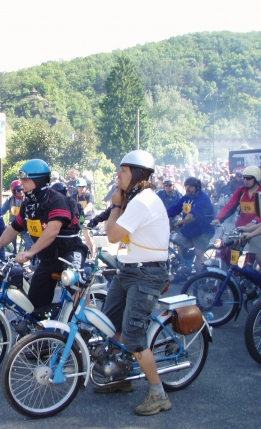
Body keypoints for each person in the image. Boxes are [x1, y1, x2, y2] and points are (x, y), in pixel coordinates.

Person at [100, 150, 171, 416]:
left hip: (146, 274)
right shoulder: (135, 200)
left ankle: (159, 394)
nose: (118, 174)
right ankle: (121, 376)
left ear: (138, 174)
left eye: (124, 170)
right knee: (108, 324)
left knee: (132, 336)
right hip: (129, 269)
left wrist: (115, 205)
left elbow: (113, 235)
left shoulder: (143, 201)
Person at [0, 159, 87, 310]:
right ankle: (45, 326)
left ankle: (86, 319)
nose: (22, 184)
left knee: (77, 287)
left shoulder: (56, 200)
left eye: (25, 180)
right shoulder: (28, 204)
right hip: (48, 259)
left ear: (39, 181)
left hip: (69, 252)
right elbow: (14, 228)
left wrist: (30, 252)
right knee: (34, 307)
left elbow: (52, 231)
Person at [213, 166, 261, 265]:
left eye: (249, 178)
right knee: (231, 248)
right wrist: (219, 218)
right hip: (241, 226)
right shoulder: (241, 191)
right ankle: (232, 271)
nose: (245, 180)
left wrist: (254, 222)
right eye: (244, 178)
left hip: (257, 228)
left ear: (256, 178)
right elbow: (230, 205)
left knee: (256, 254)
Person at [167, 177, 215, 275]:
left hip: (203, 231)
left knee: (199, 253)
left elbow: (192, 216)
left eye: (190, 186)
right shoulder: (186, 198)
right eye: (186, 186)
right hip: (189, 230)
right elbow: (175, 208)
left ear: (197, 188)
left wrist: (177, 223)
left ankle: (201, 277)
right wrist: (162, 214)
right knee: (177, 242)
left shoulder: (203, 199)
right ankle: (182, 270)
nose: (187, 188)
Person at [1, 180, 33, 255]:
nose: (21, 192)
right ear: (14, 191)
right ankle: (13, 256)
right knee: (9, 244)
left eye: (22, 189)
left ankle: (32, 259)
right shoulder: (10, 200)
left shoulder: (27, 199)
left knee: (29, 244)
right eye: (18, 190)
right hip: (13, 225)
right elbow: (2, 211)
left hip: (24, 226)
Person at [72, 178, 96, 254]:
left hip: (87, 218)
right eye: (80, 187)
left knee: (87, 235)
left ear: (86, 187)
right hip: (77, 218)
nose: (81, 188)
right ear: (77, 187)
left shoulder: (89, 196)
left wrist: (82, 213)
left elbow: (89, 206)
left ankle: (93, 252)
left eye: (83, 187)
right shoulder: (74, 196)